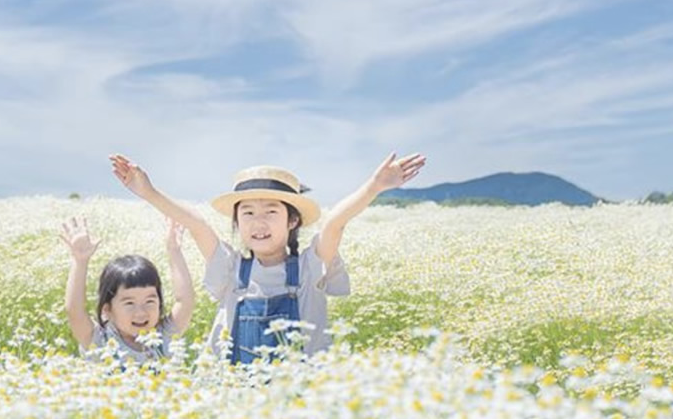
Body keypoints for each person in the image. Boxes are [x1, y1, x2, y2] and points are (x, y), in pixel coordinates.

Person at [109, 152, 425, 363]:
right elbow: (196, 224)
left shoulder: (309, 267)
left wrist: (375, 186)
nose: (258, 223)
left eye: (270, 212)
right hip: (233, 396)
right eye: (247, 213)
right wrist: (148, 192)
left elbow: (334, 224)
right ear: (237, 223)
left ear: (292, 221)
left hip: (301, 398)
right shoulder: (231, 268)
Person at [60, 216, 195, 363]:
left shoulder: (164, 337)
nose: (141, 312)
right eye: (129, 303)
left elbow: (185, 301)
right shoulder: (99, 341)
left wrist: (174, 250)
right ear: (107, 310)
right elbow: (74, 310)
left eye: (150, 301)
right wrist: (80, 261)